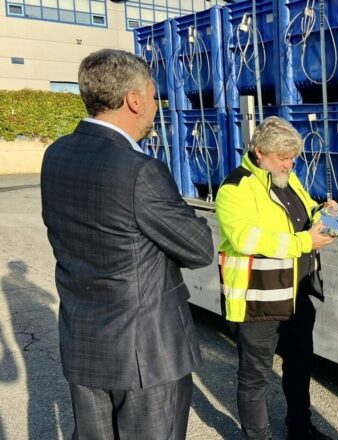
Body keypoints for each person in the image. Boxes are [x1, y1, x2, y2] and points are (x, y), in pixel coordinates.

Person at [41, 49, 215, 439]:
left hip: (84, 342)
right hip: (146, 356)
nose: (155, 106)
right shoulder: (140, 170)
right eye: (153, 96)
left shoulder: (56, 154)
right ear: (134, 100)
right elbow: (199, 248)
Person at [216, 116, 336, 440]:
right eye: (283, 157)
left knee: (299, 366)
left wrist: (324, 213)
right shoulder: (235, 187)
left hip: (295, 293)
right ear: (259, 152)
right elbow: (246, 238)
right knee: (254, 377)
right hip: (259, 300)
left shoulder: (287, 177)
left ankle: (300, 427)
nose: (290, 163)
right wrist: (303, 242)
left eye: (293, 156)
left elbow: (304, 212)